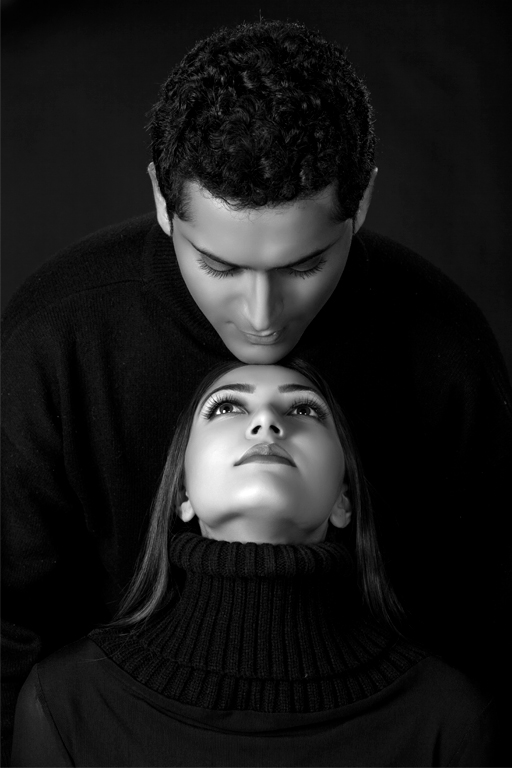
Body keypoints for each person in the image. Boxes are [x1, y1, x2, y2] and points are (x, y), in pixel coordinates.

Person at [2, 17, 511, 764]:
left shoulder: (446, 349)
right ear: (161, 198)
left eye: (304, 266)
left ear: (363, 203)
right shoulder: (53, 339)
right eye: (219, 265)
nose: (263, 317)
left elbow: (488, 624)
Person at [11, 360, 497, 767]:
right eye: (227, 407)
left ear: (343, 501)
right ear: (182, 494)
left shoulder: (448, 717)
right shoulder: (63, 703)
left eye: (304, 409)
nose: (266, 422)